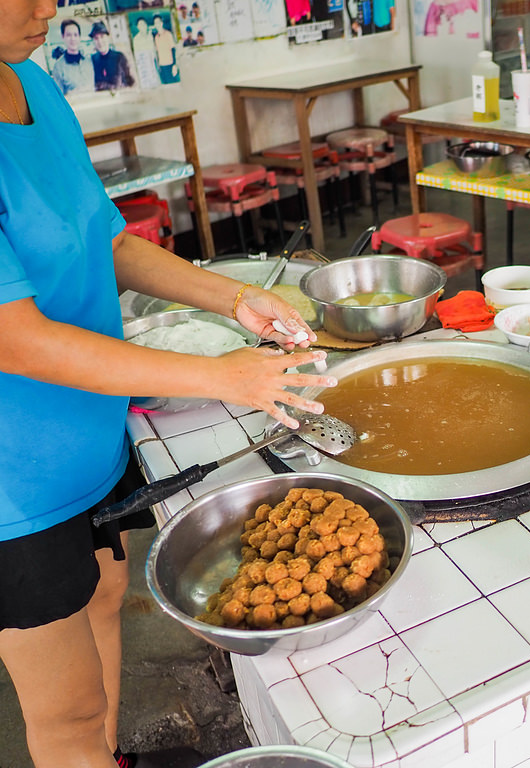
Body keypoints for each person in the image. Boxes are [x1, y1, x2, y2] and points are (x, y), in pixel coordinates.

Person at [0, 0, 335, 766]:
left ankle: (105, 753)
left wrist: (233, 297)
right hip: (12, 479)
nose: (48, 5)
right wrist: (222, 376)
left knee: (108, 595)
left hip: (91, 428)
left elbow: (106, 238)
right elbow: (15, 339)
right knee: (67, 710)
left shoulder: (33, 83)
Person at [50, 17, 93, 95]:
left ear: (79, 37)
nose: (73, 38)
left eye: (75, 35)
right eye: (69, 35)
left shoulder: (89, 61)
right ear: (63, 37)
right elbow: (60, 98)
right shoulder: (58, 67)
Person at [89, 21, 134, 91]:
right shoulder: (92, 60)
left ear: (108, 38)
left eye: (102, 37)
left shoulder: (119, 57)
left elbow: (130, 81)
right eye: (96, 38)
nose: (100, 41)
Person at [130, 16, 158, 88]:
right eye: (140, 25)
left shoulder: (151, 36)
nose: (142, 26)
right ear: (138, 27)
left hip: (154, 63)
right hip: (144, 66)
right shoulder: (136, 39)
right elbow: (138, 57)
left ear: (146, 25)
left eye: (144, 24)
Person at [151, 13, 177, 83]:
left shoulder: (168, 34)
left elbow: (173, 49)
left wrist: (174, 65)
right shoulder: (156, 37)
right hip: (162, 67)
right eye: (155, 23)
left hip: (170, 65)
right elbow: (157, 52)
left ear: (161, 23)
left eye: (158, 22)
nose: (157, 24)